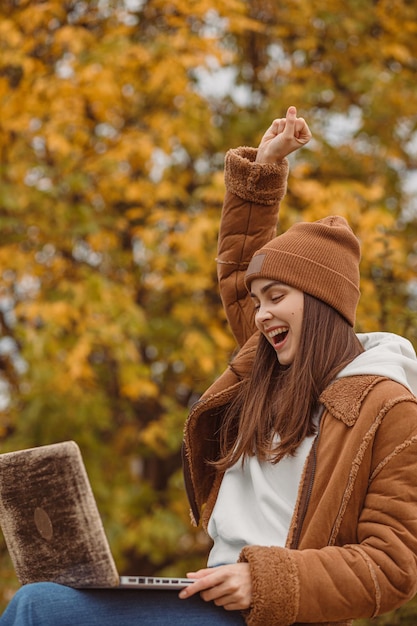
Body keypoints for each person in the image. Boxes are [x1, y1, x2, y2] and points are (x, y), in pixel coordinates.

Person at [1, 107, 417, 626]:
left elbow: (392, 564)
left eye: (277, 297)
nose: (262, 314)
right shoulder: (270, 363)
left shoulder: (388, 405)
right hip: (209, 597)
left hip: (272, 615)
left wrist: (262, 580)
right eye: (258, 301)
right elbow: (241, 264)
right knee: (38, 597)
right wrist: (264, 169)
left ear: (321, 302)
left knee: (40, 610)